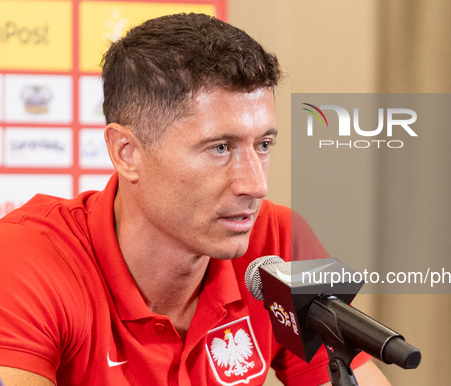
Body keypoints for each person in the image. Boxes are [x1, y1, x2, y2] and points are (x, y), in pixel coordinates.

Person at [0, 13, 391, 385]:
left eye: (264, 144)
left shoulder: (276, 242)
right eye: (220, 148)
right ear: (126, 152)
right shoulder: (27, 258)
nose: (255, 185)